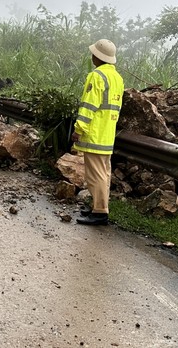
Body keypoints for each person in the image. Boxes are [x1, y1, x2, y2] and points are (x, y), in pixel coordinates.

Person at [71, 39, 124, 226]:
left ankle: (100, 212)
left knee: (96, 176)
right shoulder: (117, 78)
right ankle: (98, 207)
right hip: (107, 134)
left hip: (95, 133)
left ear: (97, 57)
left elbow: (88, 106)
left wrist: (79, 129)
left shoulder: (96, 76)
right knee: (104, 174)